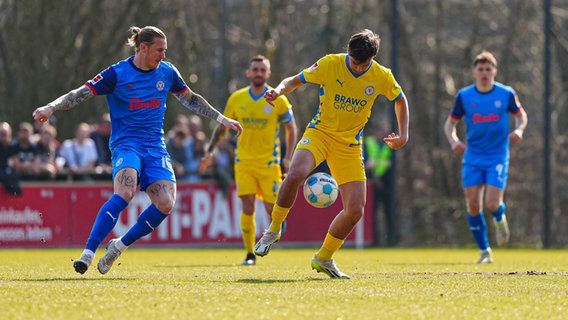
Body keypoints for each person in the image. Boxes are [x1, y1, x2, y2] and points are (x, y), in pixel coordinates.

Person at [32, 25, 242, 275]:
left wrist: (222, 119)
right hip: (126, 144)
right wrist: (51, 107)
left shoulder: (167, 72)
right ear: (143, 48)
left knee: (166, 203)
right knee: (127, 191)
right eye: (159, 50)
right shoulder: (117, 73)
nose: (163, 55)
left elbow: (191, 98)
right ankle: (87, 253)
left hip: (155, 147)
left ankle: (118, 247)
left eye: (165, 51)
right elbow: (81, 93)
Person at [253, 29, 409, 278]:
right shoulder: (330, 64)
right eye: (356, 63)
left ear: (373, 59)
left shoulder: (382, 75)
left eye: (364, 64)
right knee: (296, 173)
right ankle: (273, 230)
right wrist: (279, 91)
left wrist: (403, 134)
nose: (358, 69)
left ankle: (324, 258)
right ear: (348, 52)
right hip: (320, 134)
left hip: (349, 147)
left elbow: (400, 99)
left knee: (356, 210)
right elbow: (294, 80)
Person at [200, 55, 298, 266]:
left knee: (273, 210)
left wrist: (288, 157)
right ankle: (250, 254)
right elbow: (222, 126)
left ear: (268, 74)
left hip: (269, 164)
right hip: (243, 161)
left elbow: (291, 127)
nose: (259, 73)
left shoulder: (277, 98)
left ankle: (275, 228)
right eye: (255, 69)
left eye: (263, 70)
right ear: (248, 72)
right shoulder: (237, 98)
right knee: (247, 206)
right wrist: (209, 151)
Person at [444, 50, 528, 264]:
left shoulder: (506, 93)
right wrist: (454, 141)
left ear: (495, 72)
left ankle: (499, 217)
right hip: (473, 157)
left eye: (488, 69)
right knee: (473, 205)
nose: (484, 73)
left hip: (497, 156)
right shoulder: (464, 96)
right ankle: (485, 251)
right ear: (474, 72)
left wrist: (519, 130)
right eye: (480, 69)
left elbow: (521, 116)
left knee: (492, 203)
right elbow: (450, 124)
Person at [363, 124, 396, 246]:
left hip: (387, 184)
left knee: (390, 212)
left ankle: (391, 241)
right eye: (380, 130)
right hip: (371, 183)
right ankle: (373, 241)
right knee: (372, 213)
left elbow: (391, 164)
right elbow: (365, 161)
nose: (382, 133)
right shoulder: (369, 142)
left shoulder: (390, 145)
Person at [0, 122, 22, 195]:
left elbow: (18, 164)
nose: (3, 135)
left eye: (5, 133)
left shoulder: (14, 147)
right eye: (2, 133)